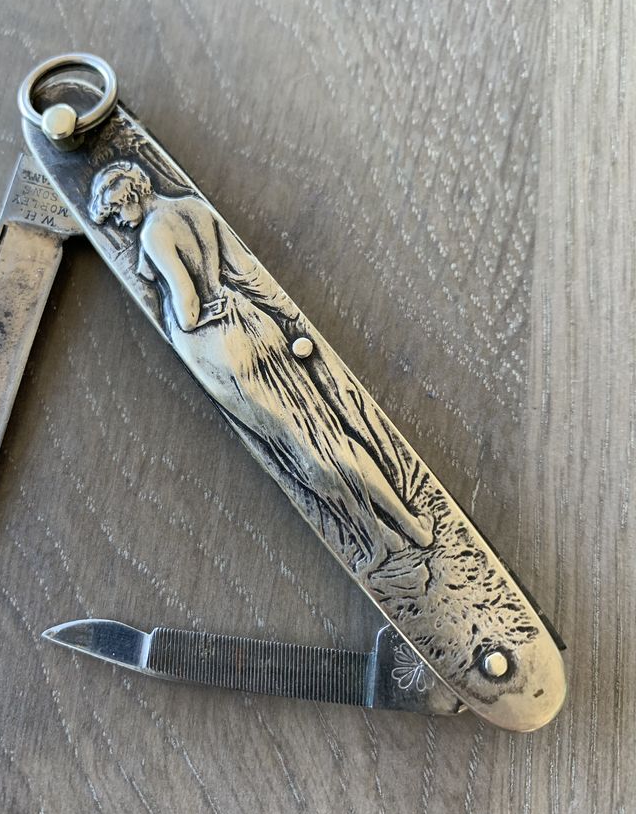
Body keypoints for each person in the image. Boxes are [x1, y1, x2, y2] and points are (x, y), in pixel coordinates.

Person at [89, 161, 434, 575]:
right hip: (254, 326)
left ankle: (376, 542)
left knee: (301, 448)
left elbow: (188, 310)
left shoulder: (154, 231)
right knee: (325, 431)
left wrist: (182, 319)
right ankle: (411, 528)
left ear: (130, 195)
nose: (121, 225)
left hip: (223, 351)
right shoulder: (194, 208)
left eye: (116, 213)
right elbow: (243, 271)